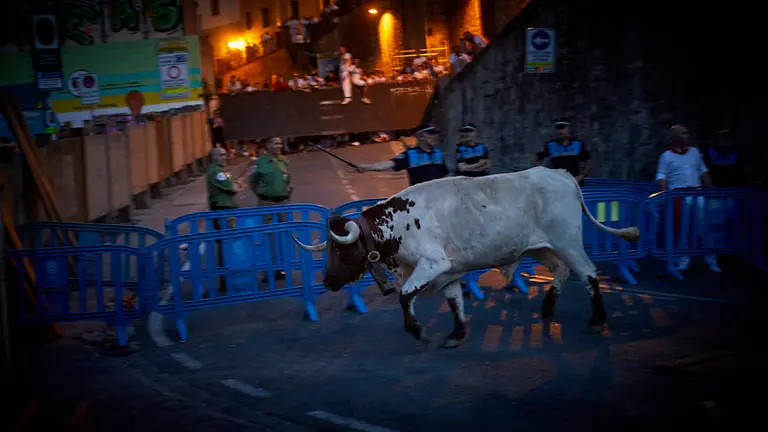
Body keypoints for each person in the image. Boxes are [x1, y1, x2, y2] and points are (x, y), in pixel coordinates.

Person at [655, 125, 720, 273]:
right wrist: (665, 194)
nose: (687, 136)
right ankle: (684, 259)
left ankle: (711, 259)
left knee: (705, 228)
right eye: (684, 133)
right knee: (682, 230)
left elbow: (703, 172)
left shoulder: (695, 153)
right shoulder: (666, 156)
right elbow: (662, 177)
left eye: (687, 132)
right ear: (675, 136)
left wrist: (713, 189)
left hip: (697, 194)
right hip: (679, 197)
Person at [249, 137, 292, 280]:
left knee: (282, 237)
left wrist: (287, 192)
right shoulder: (259, 162)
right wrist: (262, 196)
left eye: (280, 143)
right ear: (268, 145)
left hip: (282, 204)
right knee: (268, 238)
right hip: (267, 204)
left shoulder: (284, 161)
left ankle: (281, 268)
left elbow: (287, 180)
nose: (279, 146)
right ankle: (267, 271)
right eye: (275, 143)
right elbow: (252, 182)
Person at [355, 123, 448, 186]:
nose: (436, 136)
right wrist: (366, 167)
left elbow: (445, 176)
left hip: (439, 199)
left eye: (436, 134)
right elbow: (387, 164)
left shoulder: (438, 154)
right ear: (421, 136)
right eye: (431, 134)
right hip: (419, 199)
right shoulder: (411, 155)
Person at [533, 117, 591, 185]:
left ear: (569, 128)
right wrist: (541, 176)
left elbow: (589, 163)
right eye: (558, 128)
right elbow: (537, 158)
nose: (560, 131)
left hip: (575, 184)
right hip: (558, 184)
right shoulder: (551, 145)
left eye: (562, 127)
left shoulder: (577, 145)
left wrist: (580, 176)